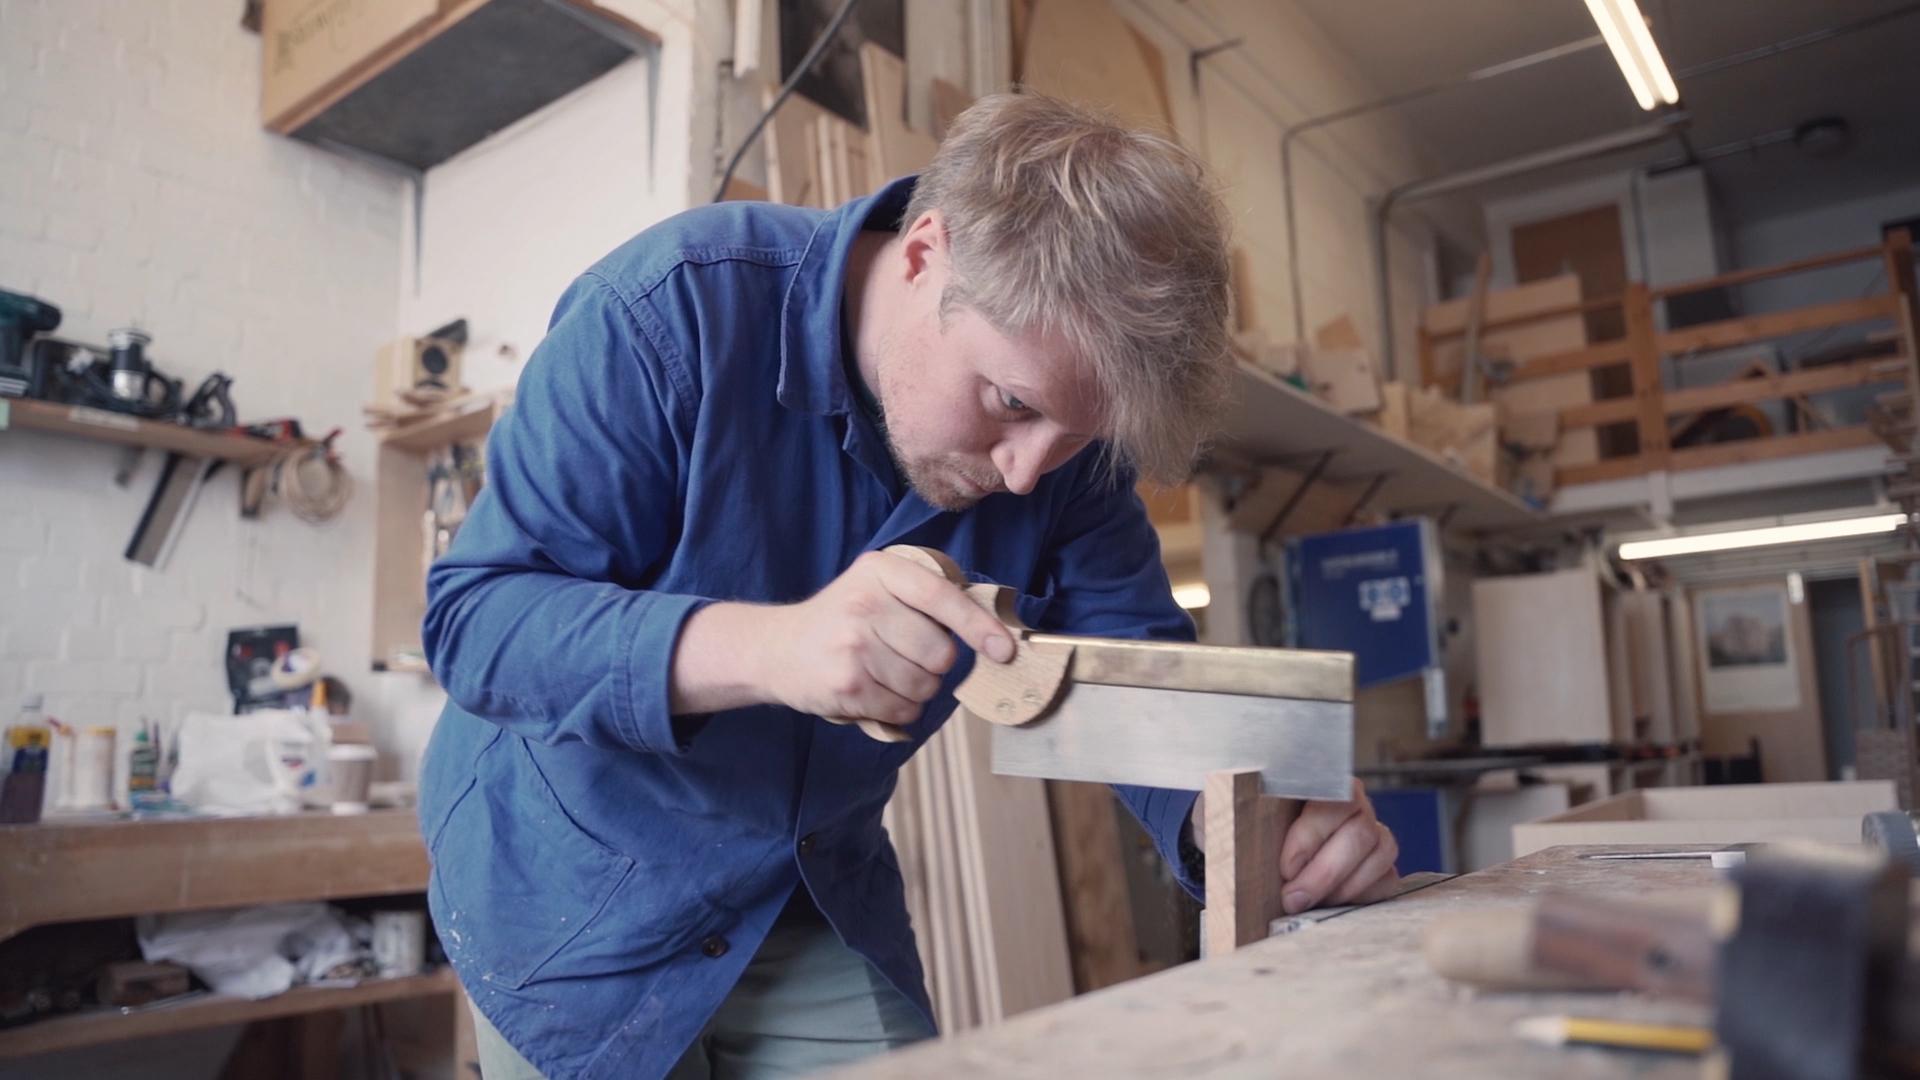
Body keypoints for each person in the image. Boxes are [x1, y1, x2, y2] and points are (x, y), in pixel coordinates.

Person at [418, 91, 1400, 1080]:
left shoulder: (1062, 459)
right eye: (1008, 405)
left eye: (1076, 439)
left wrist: (1252, 822)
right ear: (928, 255)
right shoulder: (670, 312)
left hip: (800, 884)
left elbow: (1134, 683)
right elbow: (477, 621)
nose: (1026, 476)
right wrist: (773, 650)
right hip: (567, 895)